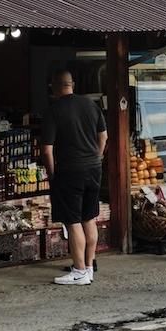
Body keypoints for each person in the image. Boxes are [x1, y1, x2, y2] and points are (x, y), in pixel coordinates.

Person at [45, 69, 107, 286]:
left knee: (72, 222)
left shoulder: (54, 110)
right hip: (93, 169)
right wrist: (97, 157)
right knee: (89, 218)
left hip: (70, 171)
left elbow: (47, 149)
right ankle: (89, 267)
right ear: (72, 84)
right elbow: (104, 136)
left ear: (54, 85)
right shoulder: (91, 105)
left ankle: (79, 270)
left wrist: (52, 173)